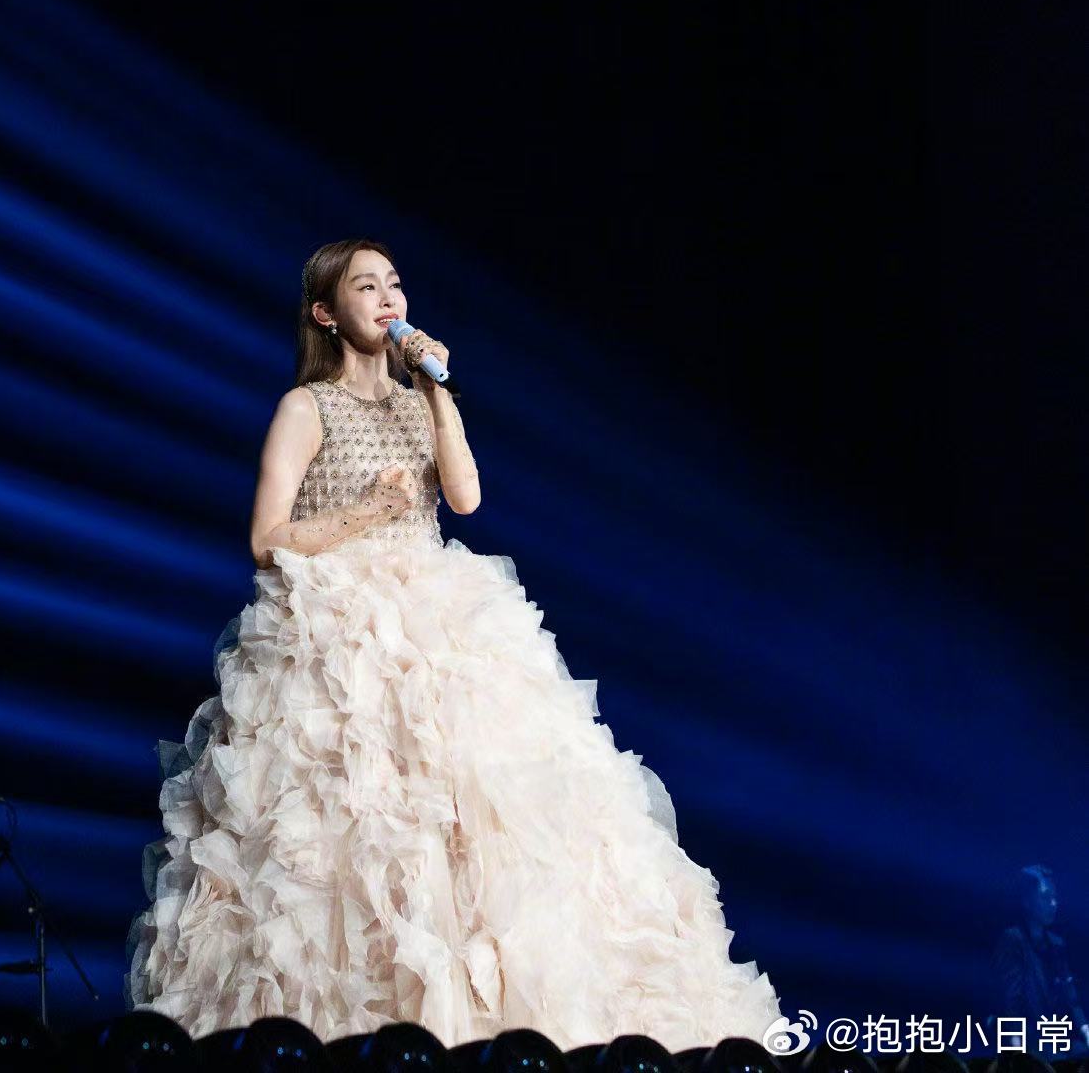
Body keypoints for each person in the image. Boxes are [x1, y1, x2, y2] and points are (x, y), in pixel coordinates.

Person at [125, 238, 784, 1048]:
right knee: (354, 829)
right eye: (366, 287)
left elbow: (465, 498)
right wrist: (366, 513)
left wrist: (436, 393)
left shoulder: (417, 401)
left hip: (435, 622)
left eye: (394, 284)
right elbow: (267, 539)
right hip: (341, 634)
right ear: (326, 313)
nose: (387, 298)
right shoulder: (307, 407)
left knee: (479, 817)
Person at [991, 865, 1089, 1054]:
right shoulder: (1012, 940)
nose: (1053, 904)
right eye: (1045, 897)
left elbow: (1071, 996)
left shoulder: (1056, 944)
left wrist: (1085, 1029)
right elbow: (1011, 1001)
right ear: (1027, 901)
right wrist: (1016, 1048)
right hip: (1028, 1039)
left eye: (1055, 898)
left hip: (1053, 1037)